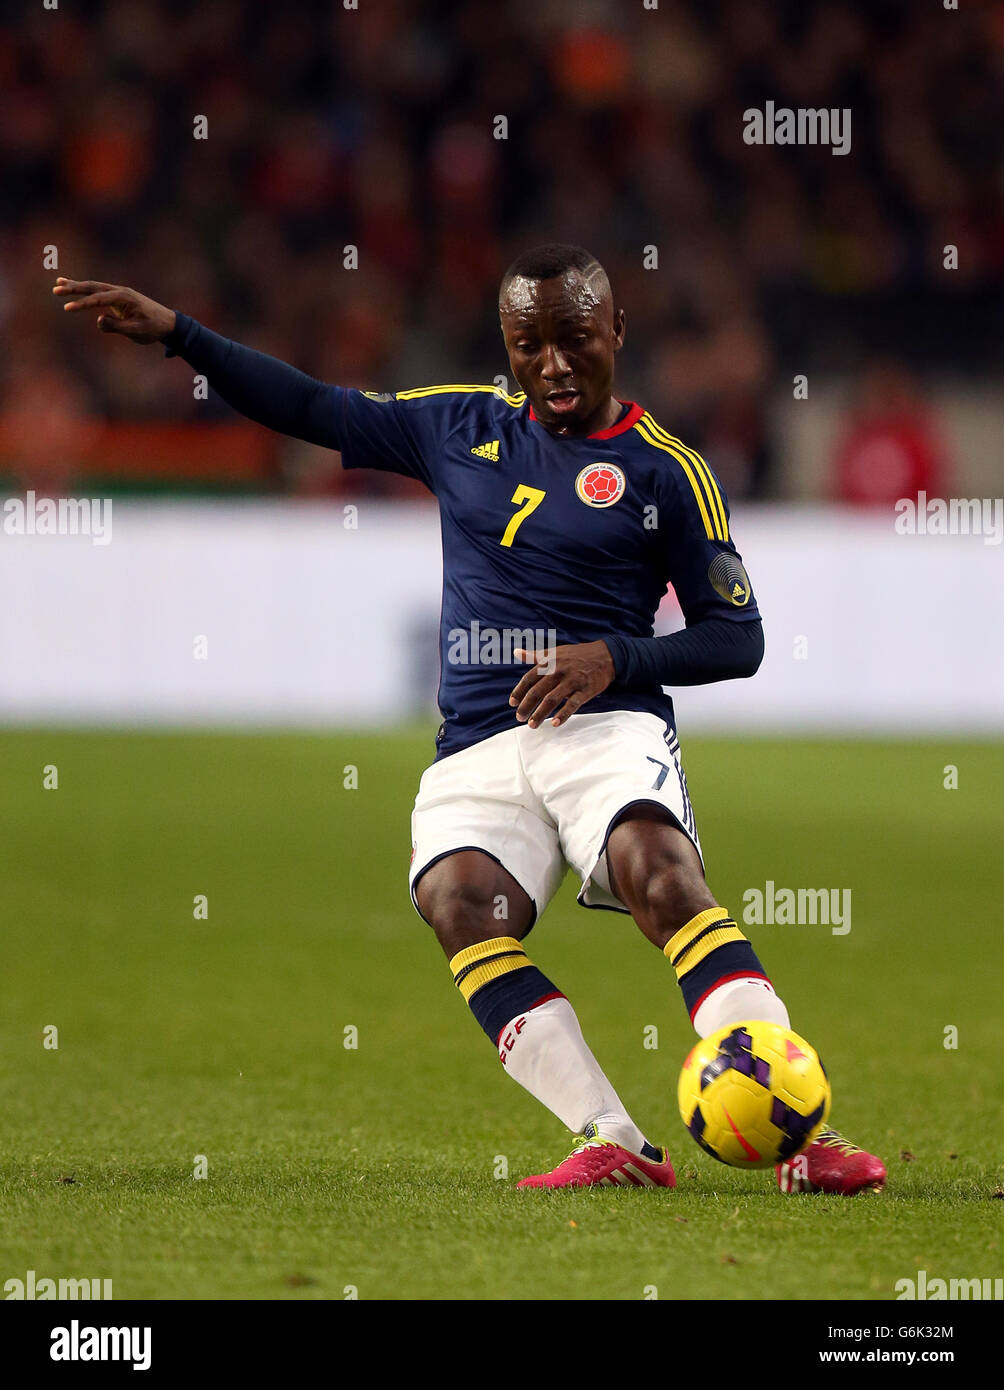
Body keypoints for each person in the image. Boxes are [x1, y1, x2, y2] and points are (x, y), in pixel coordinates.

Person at [54, 244, 886, 1194]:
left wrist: (615, 656)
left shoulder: (669, 473)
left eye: (575, 339)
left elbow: (738, 638)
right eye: (530, 344)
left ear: (616, 331)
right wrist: (181, 337)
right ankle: (611, 1137)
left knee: (659, 877)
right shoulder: (457, 425)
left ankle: (800, 1134)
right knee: (458, 903)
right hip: (478, 747)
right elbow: (310, 407)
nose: (554, 365)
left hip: (608, 728)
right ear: (508, 346)